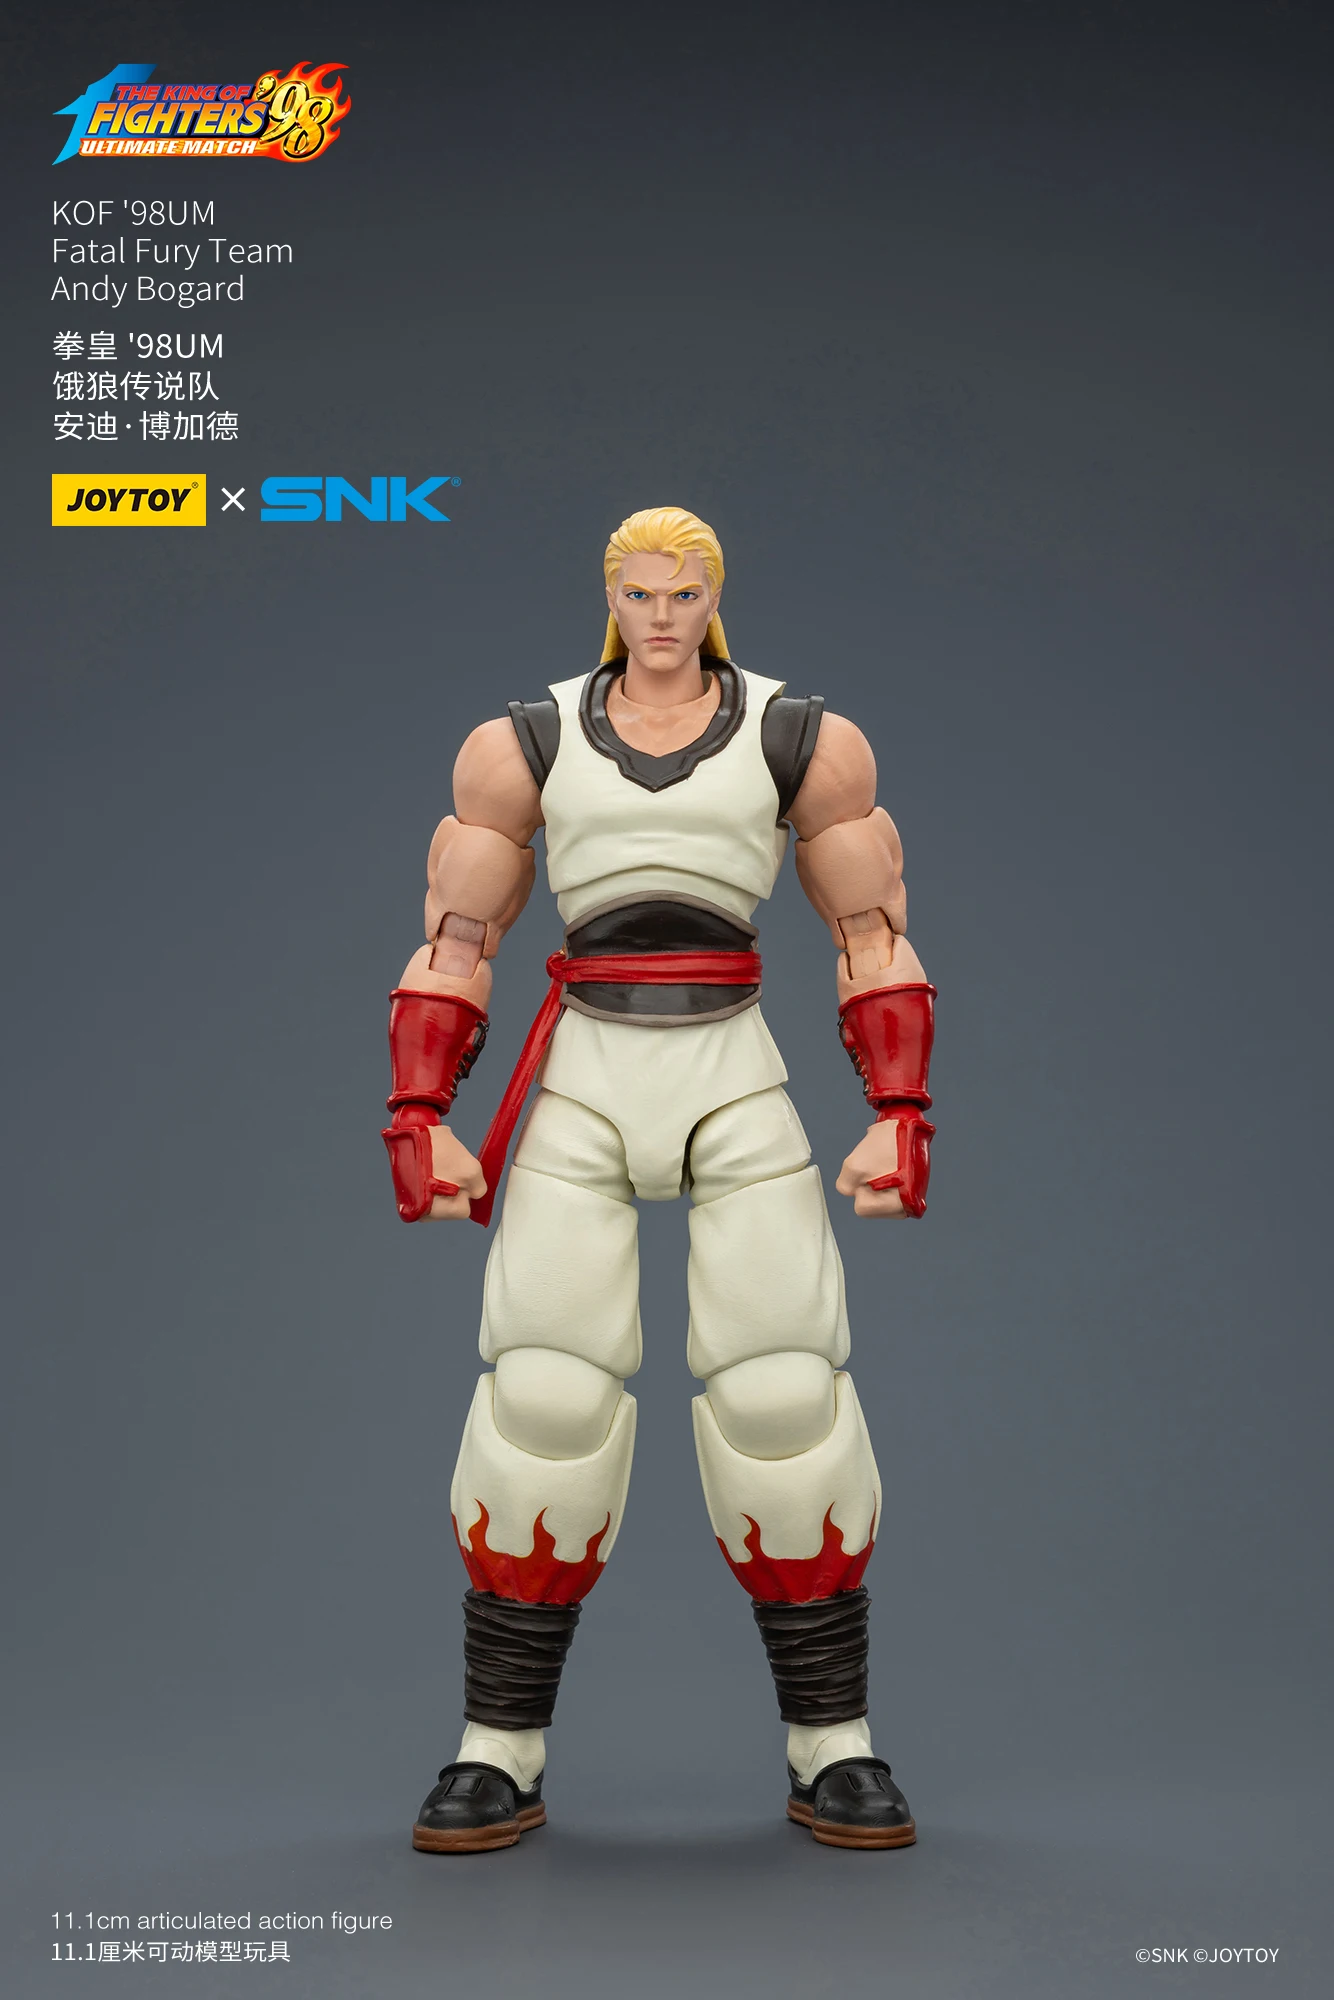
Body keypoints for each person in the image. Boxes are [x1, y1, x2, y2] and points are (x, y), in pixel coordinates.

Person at [382, 506, 936, 1852]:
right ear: (611, 597)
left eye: (685, 593)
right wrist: (420, 1113)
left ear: (714, 596)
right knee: (544, 1399)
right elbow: (456, 939)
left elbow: (871, 933)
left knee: (785, 1394)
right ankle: (498, 1749)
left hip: (729, 1069)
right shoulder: (526, 742)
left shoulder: (798, 739)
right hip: (584, 1074)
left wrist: (899, 1110)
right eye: (640, 593)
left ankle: (834, 1745)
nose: (663, 615)